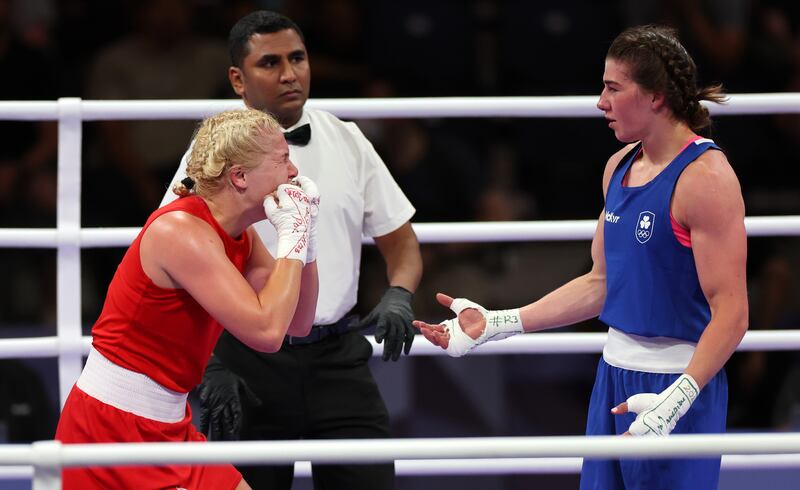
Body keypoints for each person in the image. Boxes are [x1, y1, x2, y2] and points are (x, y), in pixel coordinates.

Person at [415, 25, 748, 490]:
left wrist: (679, 398)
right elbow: (600, 283)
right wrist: (497, 323)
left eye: (613, 88)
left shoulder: (706, 178)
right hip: (612, 377)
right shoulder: (619, 167)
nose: (600, 102)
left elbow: (732, 310)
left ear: (655, 96)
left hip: (679, 382)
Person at [160, 10, 422, 490]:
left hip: (337, 354)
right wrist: (210, 361)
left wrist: (399, 292)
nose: (289, 74)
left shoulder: (347, 138)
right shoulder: (210, 152)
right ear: (238, 79)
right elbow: (178, 258)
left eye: (297, 58)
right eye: (270, 63)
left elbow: (400, 240)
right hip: (245, 357)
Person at [55, 108, 320, 490]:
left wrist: (306, 243)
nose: (294, 172)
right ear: (240, 176)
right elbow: (266, 332)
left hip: (168, 425)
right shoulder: (181, 232)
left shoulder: (240, 235)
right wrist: (291, 240)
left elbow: (297, 322)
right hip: (111, 428)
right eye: (282, 159)